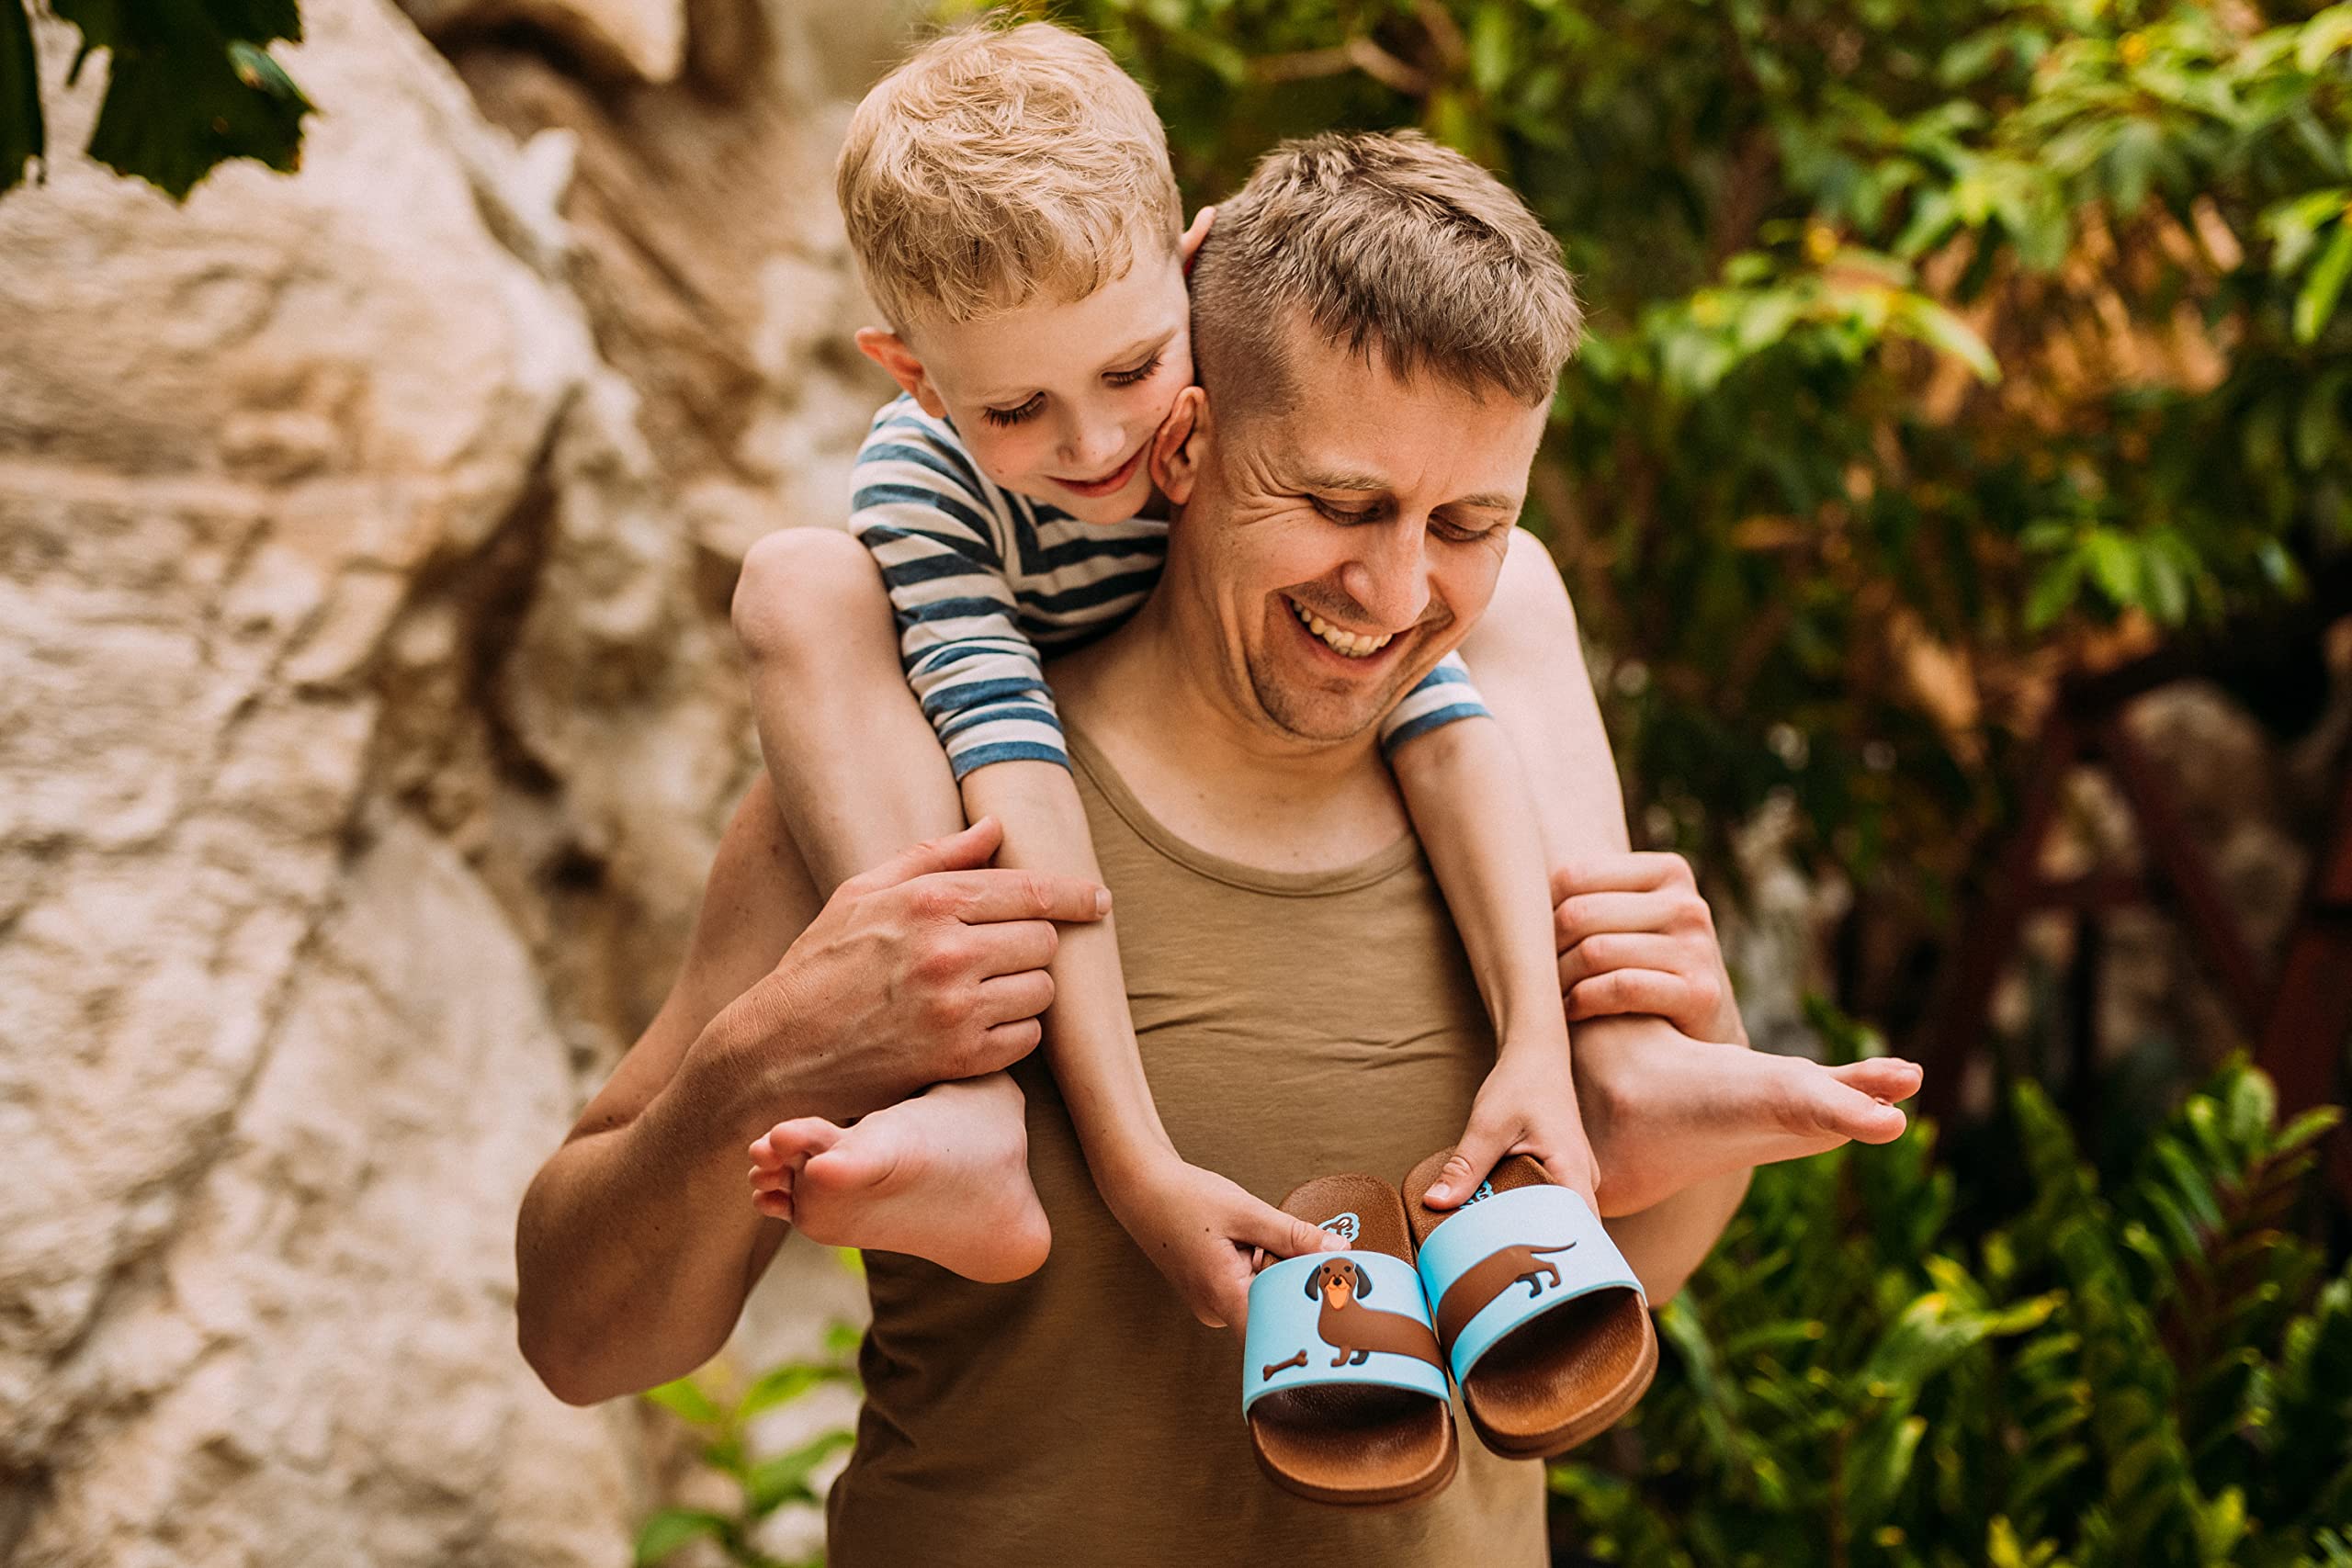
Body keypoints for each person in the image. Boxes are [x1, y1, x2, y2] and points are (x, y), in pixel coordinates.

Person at [514, 128, 1923, 1564]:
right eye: (1339, 504)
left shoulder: (1513, 797)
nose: (1396, 588)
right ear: (1185, 442)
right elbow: (583, 1339)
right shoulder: (908, 787)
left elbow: (1634, 1278)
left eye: (1469, 524)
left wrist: (1689, 1034)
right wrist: (765, 1056)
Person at [727, 19, 1603, 1329]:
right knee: (797, 581)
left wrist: (1541, 1035)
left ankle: (1625, 1058)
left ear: (1187, 275)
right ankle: (963, 1110)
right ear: (913, 375)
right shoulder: (931, 478)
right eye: (1014, 408)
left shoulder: (1243, 417)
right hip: (1012, 758)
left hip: (1224, 713)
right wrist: (1134, 1164)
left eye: (1134, 368)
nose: (1097, 446)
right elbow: (1010, 753)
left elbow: (1441, 711)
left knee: (1508, 571)